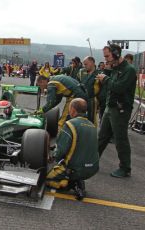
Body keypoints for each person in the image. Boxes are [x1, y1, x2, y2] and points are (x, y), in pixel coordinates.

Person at [96, 44, 137, 178]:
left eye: (107, 56)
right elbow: (111, 86)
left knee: (120, 139)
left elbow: (119, 88)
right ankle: (92, 160)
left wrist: (106, 79)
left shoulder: (129, 70)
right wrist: (107, 73)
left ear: (116, 54)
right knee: (102, 137)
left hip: (121, 109)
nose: (106, 59)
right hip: (110, 107)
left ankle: (125, 168)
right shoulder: (115, 68)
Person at [46, 98, 99, 200]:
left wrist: (50, 157)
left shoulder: (70, 124)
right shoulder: (93, 126)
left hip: (75, 169)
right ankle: (75, 179)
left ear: (73, 110)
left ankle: (70, 183)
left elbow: (60, 151)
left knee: (46, 179)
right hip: (92, 169)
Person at [77, 56, 100, 126]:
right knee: (80, 117)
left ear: (92, 63)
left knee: (91, 118)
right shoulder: (81, 72)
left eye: (86, 64)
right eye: (84, 64)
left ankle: (91, 133)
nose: (84, 66)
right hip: (81, 99)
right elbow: (76, 82)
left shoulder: (99, 74)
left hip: (92, 100)